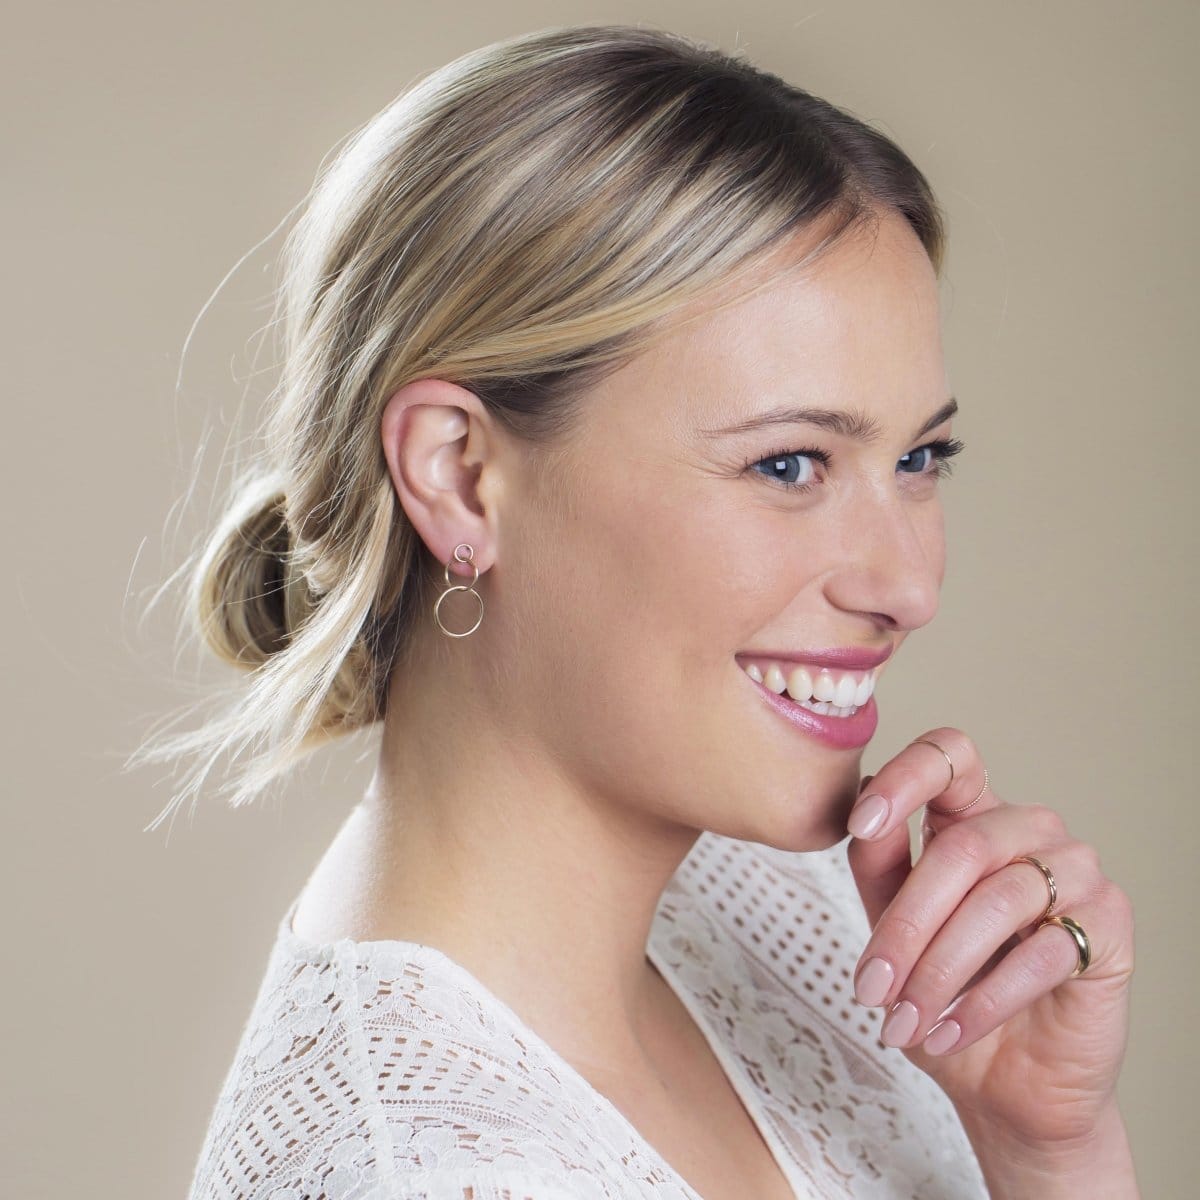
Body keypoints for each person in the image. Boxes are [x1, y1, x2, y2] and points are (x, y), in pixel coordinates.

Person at [148, 23, 1138, 1200]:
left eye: (922, 457)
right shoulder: (415, 1169)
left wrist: (1046, 1150)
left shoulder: (784, 908)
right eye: (790, 465)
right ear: (461, 475)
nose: (910, 587)